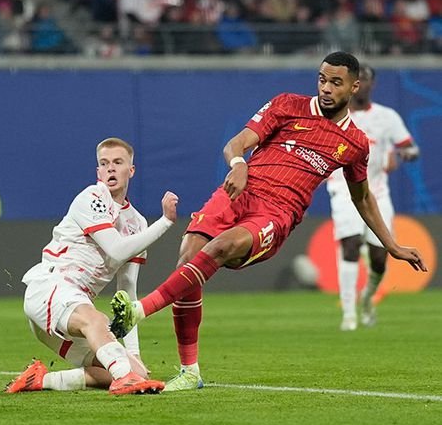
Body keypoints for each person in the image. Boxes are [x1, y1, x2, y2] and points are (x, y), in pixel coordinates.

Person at [109, 52, 427, 392]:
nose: (327, 88)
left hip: (277, 212)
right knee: (189, 254)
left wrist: (391, 244)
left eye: (336, 82)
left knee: (223, 246)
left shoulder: (354, 144)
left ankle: (140, 310)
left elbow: (362, 197)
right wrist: (238, 164)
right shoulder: (287, 105)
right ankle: (190, 371)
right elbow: (237, 144)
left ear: (354, 86)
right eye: (322, 79)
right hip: (239, 193)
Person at [6, 137, 178, 395]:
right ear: (98, 171)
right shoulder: (92, 197)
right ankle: (124, 380)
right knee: (97, 320)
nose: (110, 168)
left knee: (136, 370)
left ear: (131, 170)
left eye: (117, 162)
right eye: (104, 163)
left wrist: (133, 354)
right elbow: (116, 248)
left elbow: (127, 291)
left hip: (72, 309)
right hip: (51, 288)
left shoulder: (138, 224)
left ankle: (42, 380)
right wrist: (165, 222)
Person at [328, 64, 420, 331]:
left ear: (372, 84)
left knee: (380, 258)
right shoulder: (333, 116)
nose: (362, 84)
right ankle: (348, 315)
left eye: (366, 79)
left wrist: (405, 154)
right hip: (343, 190)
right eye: (358, 79)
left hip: (376, 192)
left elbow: (410, 148)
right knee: (351, 244)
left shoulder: (387, 117)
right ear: (351, 84)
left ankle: (367, 300)